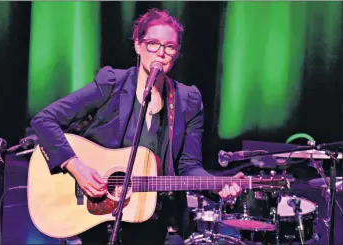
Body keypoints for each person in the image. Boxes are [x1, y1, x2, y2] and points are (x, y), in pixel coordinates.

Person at [30, 8, 243, 245]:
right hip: (101, 215)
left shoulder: (188, 100)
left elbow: (188, 166)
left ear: (176, 53)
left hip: (158, 221)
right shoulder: (111, 84)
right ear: (138, 45)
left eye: (170, 47)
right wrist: (77, 167)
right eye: (153, 44)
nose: (161, 53)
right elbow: (44, 121)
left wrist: (217, 185)